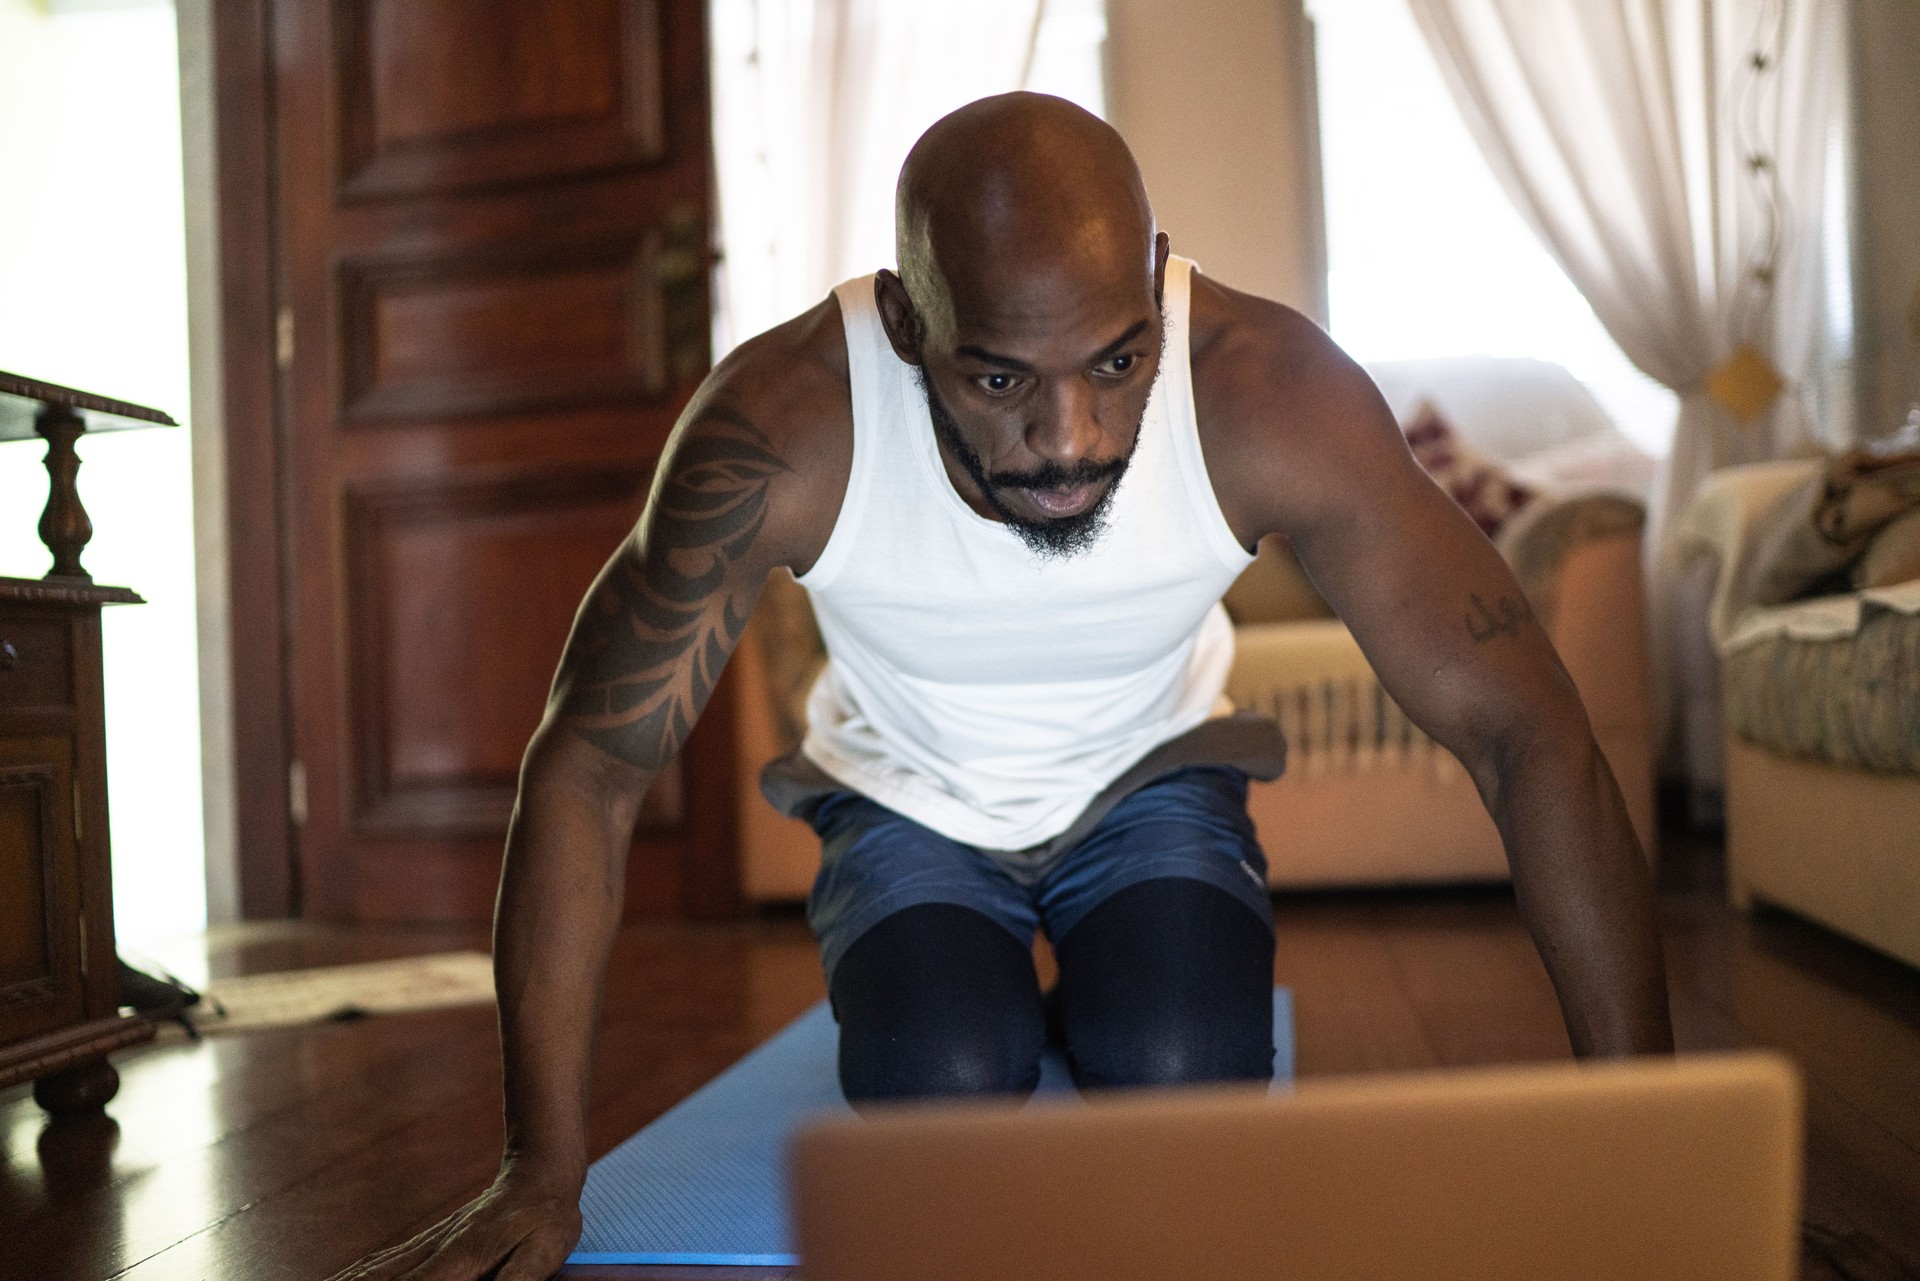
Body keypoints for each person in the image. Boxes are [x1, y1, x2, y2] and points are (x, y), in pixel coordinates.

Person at [332, 92, 1672, 1281]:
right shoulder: (783, 424)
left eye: (1114, 360)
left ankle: (1103, 970)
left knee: (1174, 1068)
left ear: (1157, 283)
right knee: (943, 1080)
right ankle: (970, 974)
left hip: (1150, 779)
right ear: (909, 322)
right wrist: (540, 1168)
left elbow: (1524, 732)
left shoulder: (1268, 392)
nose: (1070, 438)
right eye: (998, 377)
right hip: (904, 798)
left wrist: (1644, 1143)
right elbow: (591, 765)